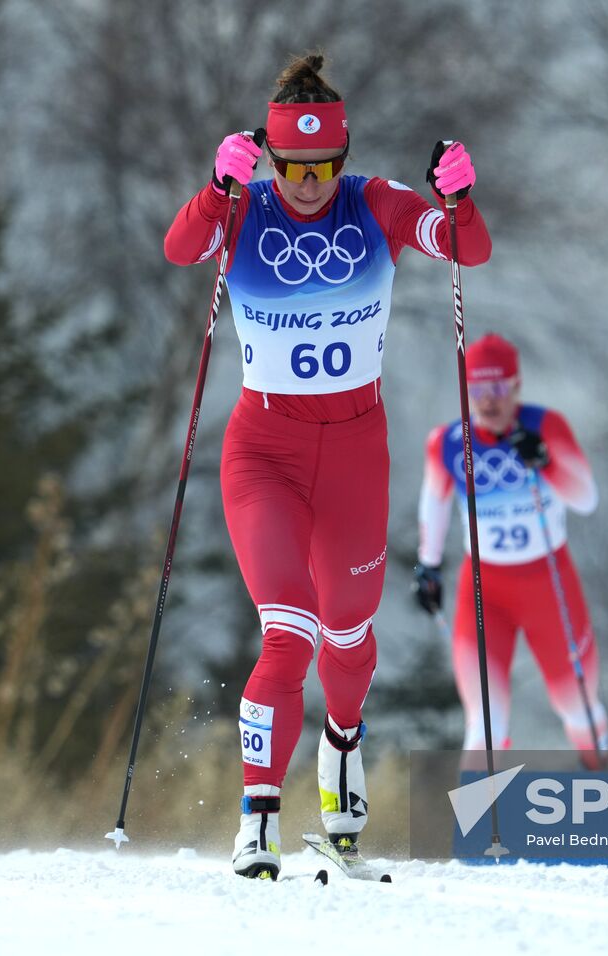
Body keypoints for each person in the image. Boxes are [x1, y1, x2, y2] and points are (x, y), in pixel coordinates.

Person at [163, 53, 491, 879]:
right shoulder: (243, 211)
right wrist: (215, 186)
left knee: (348, 631)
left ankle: (342, 754)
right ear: (269, 161)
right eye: (292, 168)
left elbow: (465, 249)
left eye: (323, 166)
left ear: (342, 160)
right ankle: (258, 820)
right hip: (264, 452)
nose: (308, 183)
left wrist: (459, 195)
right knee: (289, 634)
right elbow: (179, 248)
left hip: (354, 452)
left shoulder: (373, 204)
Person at [413, 333, 608, 767]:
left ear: (516, 387)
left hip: (548, 585)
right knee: (484, 725)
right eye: (478, 391)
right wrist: (428, 566)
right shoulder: (447, 443)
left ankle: (602, 793)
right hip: (484, 590)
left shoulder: (545, 427)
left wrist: (547, 462)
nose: (488, 402)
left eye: (498, 389)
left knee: (578, 706)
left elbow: (586, 499)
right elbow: (434, 506)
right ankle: (475, 832)